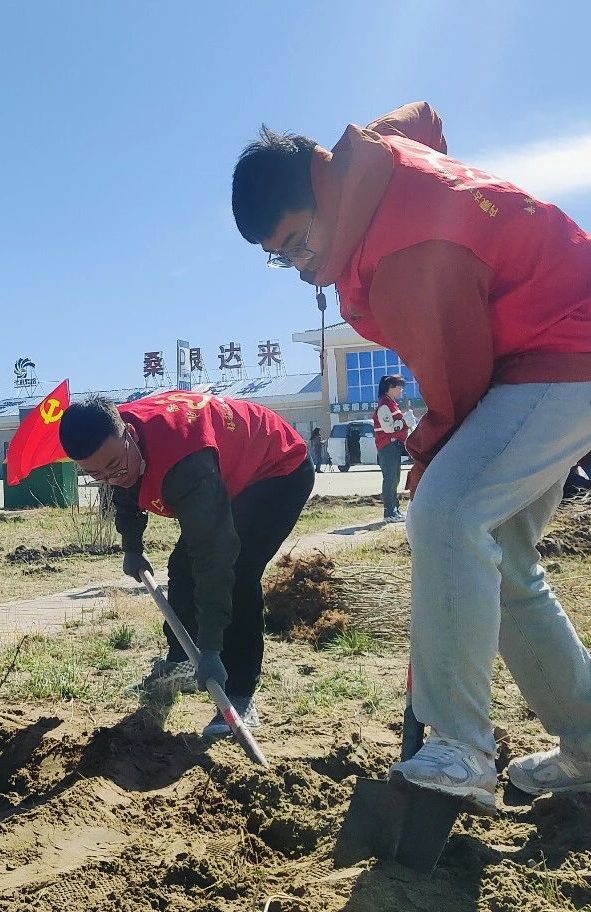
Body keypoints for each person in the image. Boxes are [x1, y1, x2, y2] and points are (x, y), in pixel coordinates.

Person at [232, 102, 591, 810]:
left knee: (448, 513)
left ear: (322, 188)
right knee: (504, 561)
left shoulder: (408, 252)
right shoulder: (367, 169)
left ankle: (461, 748)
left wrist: (427, 461)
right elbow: (420, 120)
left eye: (300, 244)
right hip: (532, 347)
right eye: (283, 257)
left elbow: (457, 385)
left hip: (565, 343)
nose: (301, 270)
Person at [59, 392, 312, 736]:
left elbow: (214, 556)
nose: (111, 477)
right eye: (96, 474)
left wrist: (211, 647)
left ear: (129, 434)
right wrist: (132, 546)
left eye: (114, 466)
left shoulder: (184, 462)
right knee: (182, 566)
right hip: (224, 468)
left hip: (276, 468)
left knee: (239, 572)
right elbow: (123, 487)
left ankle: (239, 694)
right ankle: (181, 663)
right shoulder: (113, 441)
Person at [373, 375, 409, 523]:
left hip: (393, 445)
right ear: (391, 388)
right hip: (387, 446)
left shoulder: (391, 404)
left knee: (395, 478)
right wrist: (404, 422)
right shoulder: (384, 405)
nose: (401, 390)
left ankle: (395, 509)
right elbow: (388, 428)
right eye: (399, 387)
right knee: (390, 479)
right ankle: (389, 512)